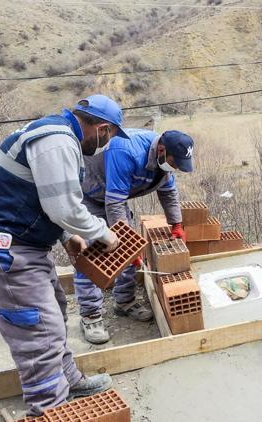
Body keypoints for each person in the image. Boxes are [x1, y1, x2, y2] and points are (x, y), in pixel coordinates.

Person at [0, 95, 130, 416]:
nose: (107, 144)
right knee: (37, 332)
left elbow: (46, 195)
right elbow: (64, 207)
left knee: (53, 312)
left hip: (21, 244)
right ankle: (49, 408)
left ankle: (68, 379)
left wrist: (68, 237)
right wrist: (102, 234)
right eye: (109, 137)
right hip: (5, 249)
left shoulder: (56, 133)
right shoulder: (57, 141)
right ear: (103, 129)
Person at [75, 129, 194, 343]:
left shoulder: (164, 161)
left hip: (114, 198)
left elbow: (168, 192)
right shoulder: (125, 151)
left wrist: (176, 224)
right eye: (174, 163)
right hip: (91, 196)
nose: (174, 168)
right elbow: (114, 203)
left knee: (130, 246)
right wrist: (124, 244)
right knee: (94, 254)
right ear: (160, 150)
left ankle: (125, 302)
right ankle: (90, 315)